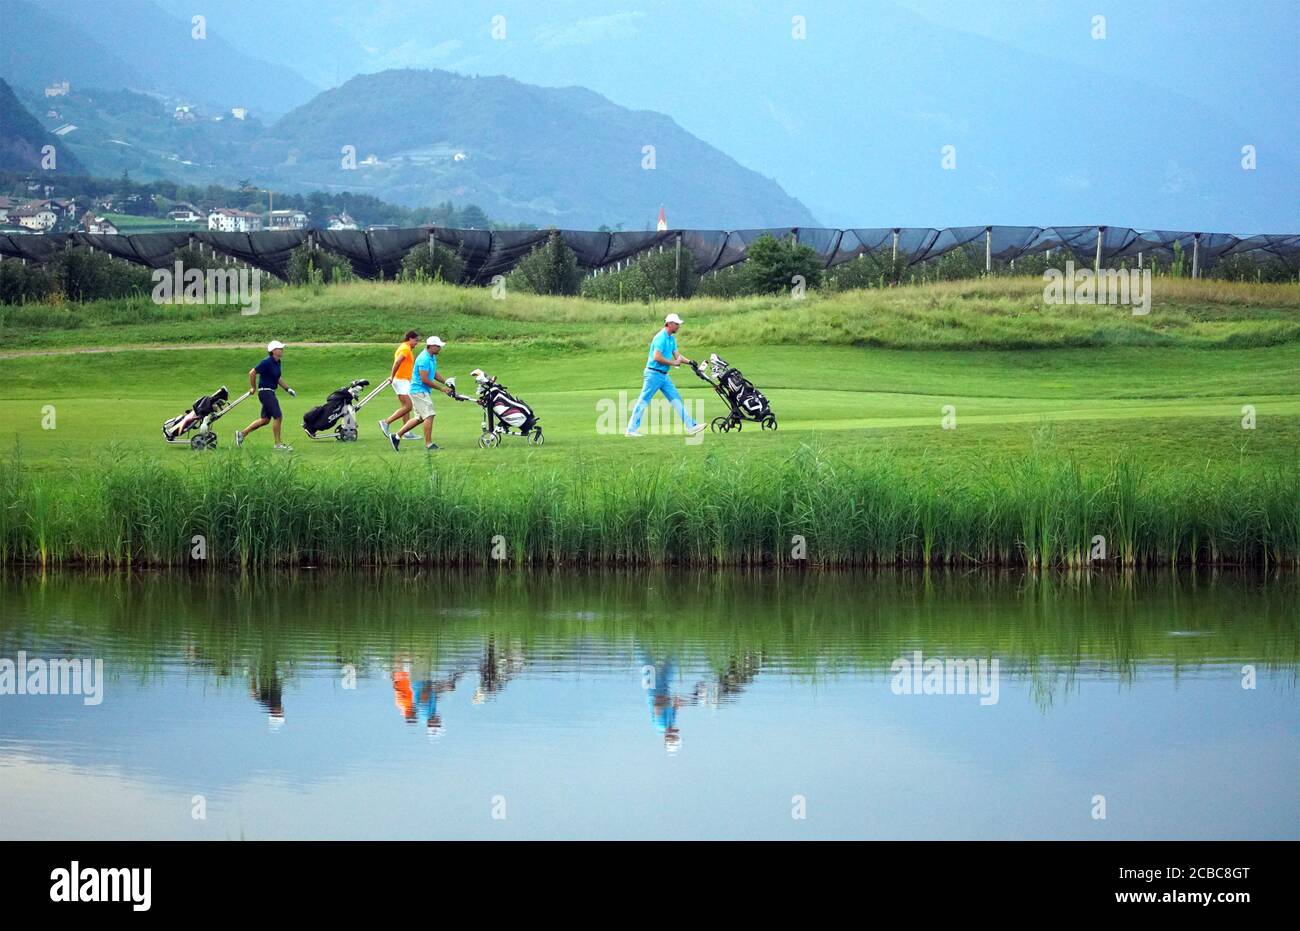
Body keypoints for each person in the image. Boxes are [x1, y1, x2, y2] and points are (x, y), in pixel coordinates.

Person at [625, 312, 705, 438]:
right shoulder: (660, 337)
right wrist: (673, 363)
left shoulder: (671, 338)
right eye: (677, 324)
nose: (679, 326)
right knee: (643, 401)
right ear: (669, 324)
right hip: (653, 374)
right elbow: (657, 357)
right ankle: (631, 429)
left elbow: (677, 355)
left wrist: (690, 362)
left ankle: (691, 426)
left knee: (676, 399)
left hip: (663, 376)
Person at [390, 335, 461, 451]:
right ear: (431, 346)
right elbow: (425, 379)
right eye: (438, 346)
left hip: (420, 390)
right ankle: (429, 444)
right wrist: (441, 388)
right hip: (419, 390)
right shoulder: (424, 359)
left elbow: (433, 372)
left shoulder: (431, 357)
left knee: (419, 418)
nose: (440, 348)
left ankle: (396, 436)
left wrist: (445, 381)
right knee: (429, 415)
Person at [235, 340, 296, 450]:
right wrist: (253, 387)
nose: (282, 350)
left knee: (265, 420)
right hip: (265, 392)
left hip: (270, 392)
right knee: (278, 416)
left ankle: (242, 434)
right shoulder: (266, 362)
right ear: (273, 351)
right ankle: (278, 445)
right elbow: (252, 372)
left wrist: (288, 389)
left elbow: (277, 378)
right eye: (280, 349)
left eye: (282, 348)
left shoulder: (277, 362)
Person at [379, 330, 420, 437]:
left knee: (405, 407)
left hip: (403, 380)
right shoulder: (405, 348)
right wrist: (392, 376)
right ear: (410, 339)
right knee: (408, 406)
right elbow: (397, 362)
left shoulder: (406, 348)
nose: (417, 342)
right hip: (400, 380)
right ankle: (386, 422)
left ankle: (406, 432)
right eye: (416, 340)